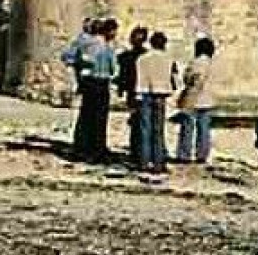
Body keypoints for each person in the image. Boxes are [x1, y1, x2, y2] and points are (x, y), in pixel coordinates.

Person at [61, 18, 118, 161]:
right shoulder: (105, 46)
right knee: (99, 118)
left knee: (85, 116)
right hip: (101, 82)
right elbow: (113, 69)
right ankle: (96, 149)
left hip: (88, 82)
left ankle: (81, 147)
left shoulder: (84, 43)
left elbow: (68, 57)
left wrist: (79, 69)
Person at [134, 31, 177, 174]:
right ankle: (159, 162)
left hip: (145, 93)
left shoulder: (142, 59)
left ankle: (144, 162)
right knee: (158, 130)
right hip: (161, 94)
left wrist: (138, 94)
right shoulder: (168, 59)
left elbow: (140, 78)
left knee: (145, 129)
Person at [173, 36, 217, 163]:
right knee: (204, 129)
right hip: (208, 99)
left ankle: (184, 154)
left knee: (187, 127)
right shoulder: (212, 63)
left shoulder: (196, 62)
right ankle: (202, 154)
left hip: (193, 98)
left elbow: (189, 79)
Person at [115, 26, 150, 168]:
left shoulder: (126, 56)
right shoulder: (139, 56)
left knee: (137, 122)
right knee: (140, 122)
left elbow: (123, 75)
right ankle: (140, 151)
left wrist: (121, 88)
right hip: (141, 91)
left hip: (136, 91)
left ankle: (138, 151)